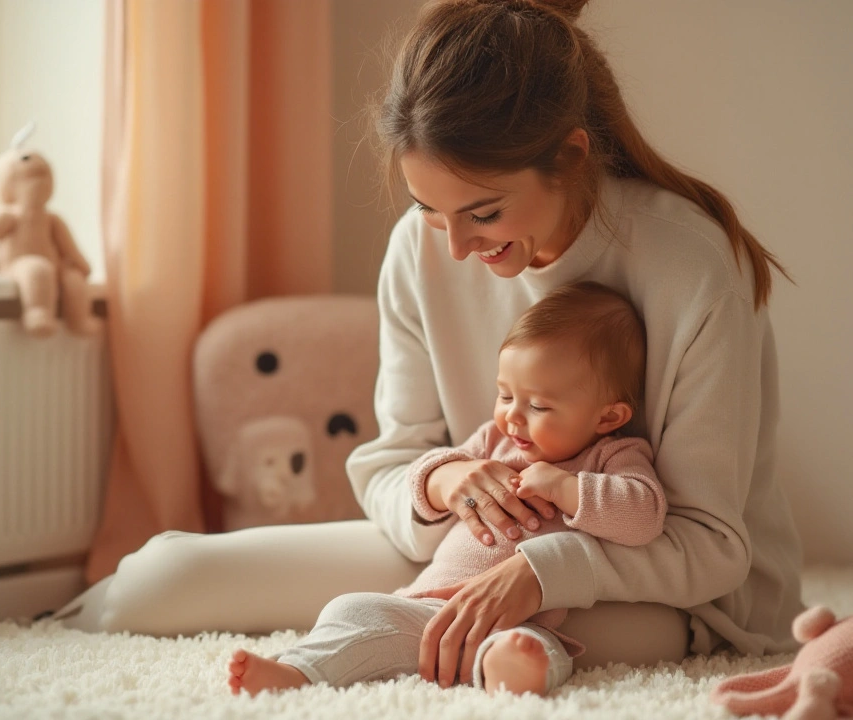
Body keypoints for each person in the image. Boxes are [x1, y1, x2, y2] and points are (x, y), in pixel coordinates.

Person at [54, 0, 804, 684]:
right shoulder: (420, 246)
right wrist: (444, 484)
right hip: (469, 543)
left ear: (571, 156)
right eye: (429, 211)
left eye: (482, 212)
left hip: (678, 594)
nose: (451, 248)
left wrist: (542, 573)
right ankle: (51, 624)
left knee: (493, 644)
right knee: (166, 577)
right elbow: (391, 461)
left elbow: (709, 547)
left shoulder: (692, 264)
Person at [228, 281, 666, 696]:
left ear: (607, 417)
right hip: (430, 611)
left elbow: (644, 516)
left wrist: (567, 488)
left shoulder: (612, 456)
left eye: (537, 405)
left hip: (522, 617)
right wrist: (447, 477)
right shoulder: (494, 443)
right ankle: (297, 671)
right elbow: (431, 470)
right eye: (505, 395)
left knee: (535, 650)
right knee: (350, 610)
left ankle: (510, 673)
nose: (512, 417)